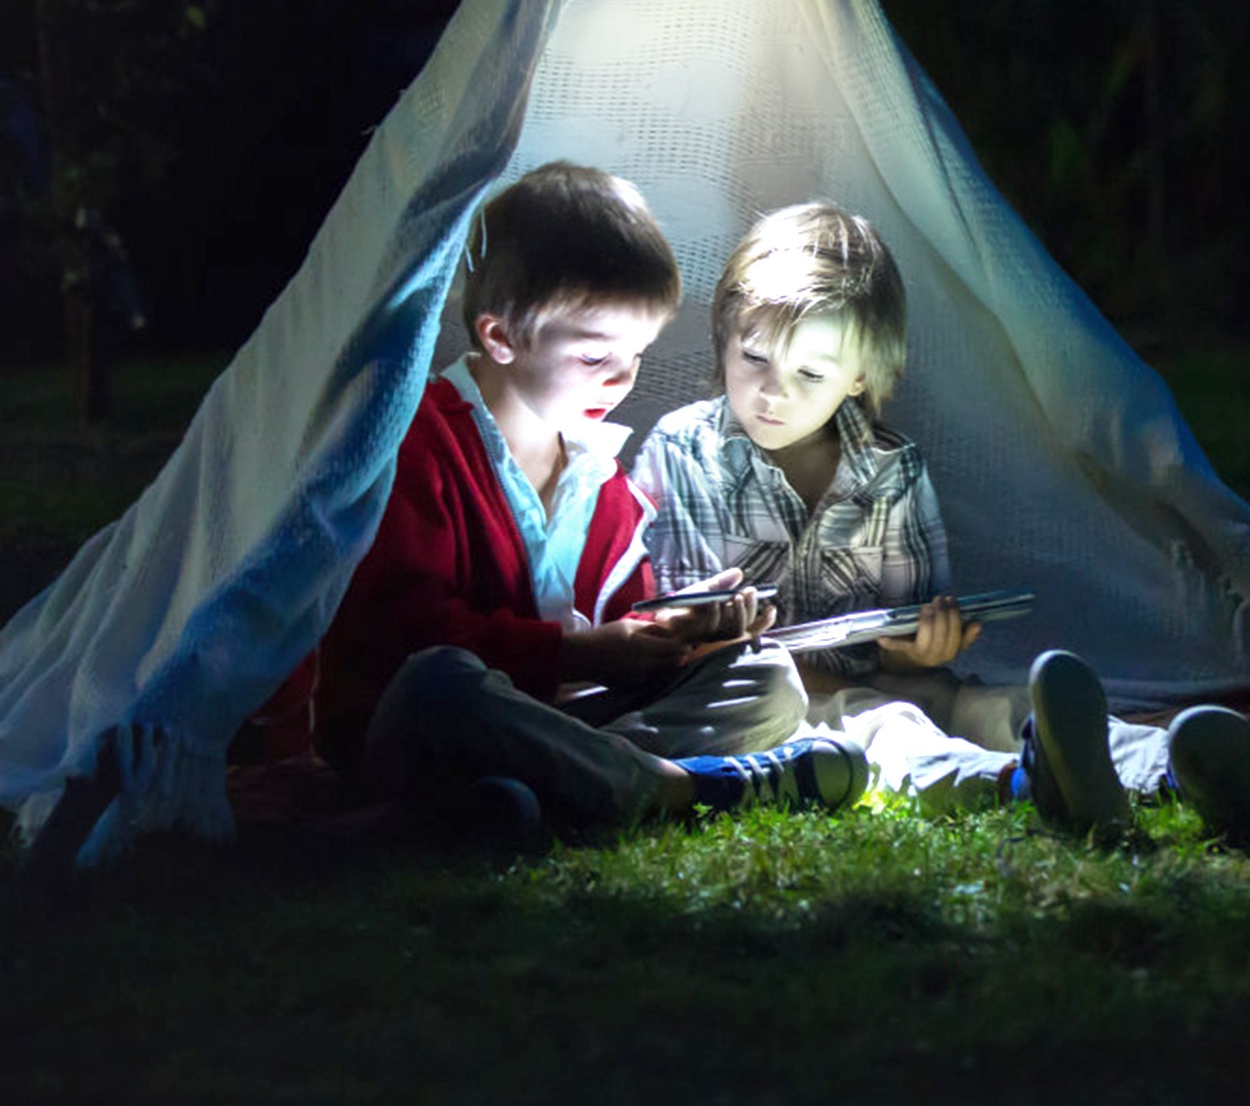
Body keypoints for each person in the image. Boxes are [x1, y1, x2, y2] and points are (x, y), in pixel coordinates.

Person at [241, 165, 867, 846]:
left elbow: (622, 632)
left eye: (637, 354)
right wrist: (579, 654)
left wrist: (678, 629)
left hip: (562, 726)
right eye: (595, 357)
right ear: (501, 337)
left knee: (767, 679)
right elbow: (400, 634)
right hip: (419, 729)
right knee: (439, 682)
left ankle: (549, 796)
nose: (622, 379)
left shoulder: (603, 481)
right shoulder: (418, 442)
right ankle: (667, 789)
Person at [632, 202, 1250, 844]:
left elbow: (901, 635)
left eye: (809, 373)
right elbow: (692, 641)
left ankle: (1173, 765)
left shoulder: (890, 469)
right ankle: (1025, 783)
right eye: (754, 357)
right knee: (889, 728)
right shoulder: (684, 452)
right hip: (774, 698)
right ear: (726, 336)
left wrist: (920, 647)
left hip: (882, 680)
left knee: (993, 704)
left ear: (858, 378)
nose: (774, 391)